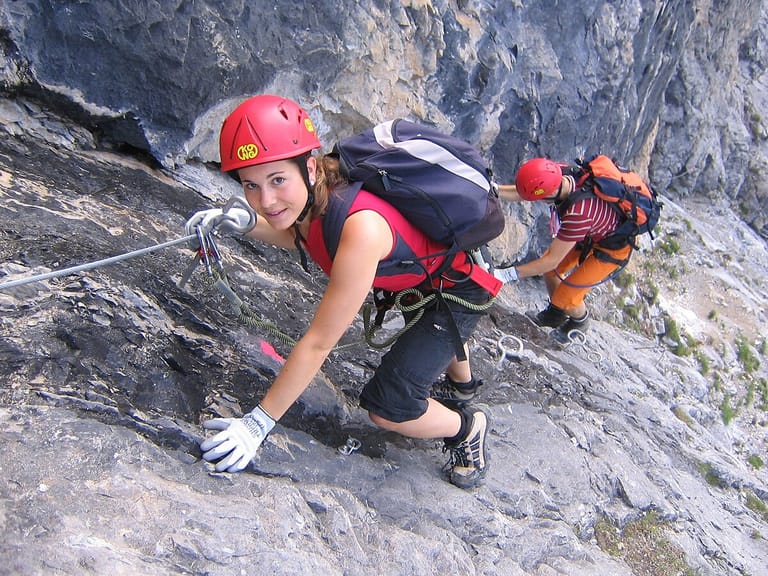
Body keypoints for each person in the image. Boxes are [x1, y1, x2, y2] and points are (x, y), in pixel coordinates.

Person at [185, 95, 499, 489]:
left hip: (455, 289)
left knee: (391, 406)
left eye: (277, 180)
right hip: (425, 276)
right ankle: (462, 386)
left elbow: (318, 343)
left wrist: (258, 423)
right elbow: (303, 237)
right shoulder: (320, 195)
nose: (265, 201)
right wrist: (241, 223)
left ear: (309, 168)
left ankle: (467, 427)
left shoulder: (360, 228)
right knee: (433, 335)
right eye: (251, 185)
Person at [494, 157, 634, 336]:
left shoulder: (579, 213)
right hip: (592, 231)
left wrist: (507, 274)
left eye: (540, 198)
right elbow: (527, 191)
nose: (538, 200)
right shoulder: (558, 174)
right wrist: (494, 190)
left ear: (551, 192)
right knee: (552, 273)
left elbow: (551, 261)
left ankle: (579, 322)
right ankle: (555, 315)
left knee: (567, 297)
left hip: (614, 246)